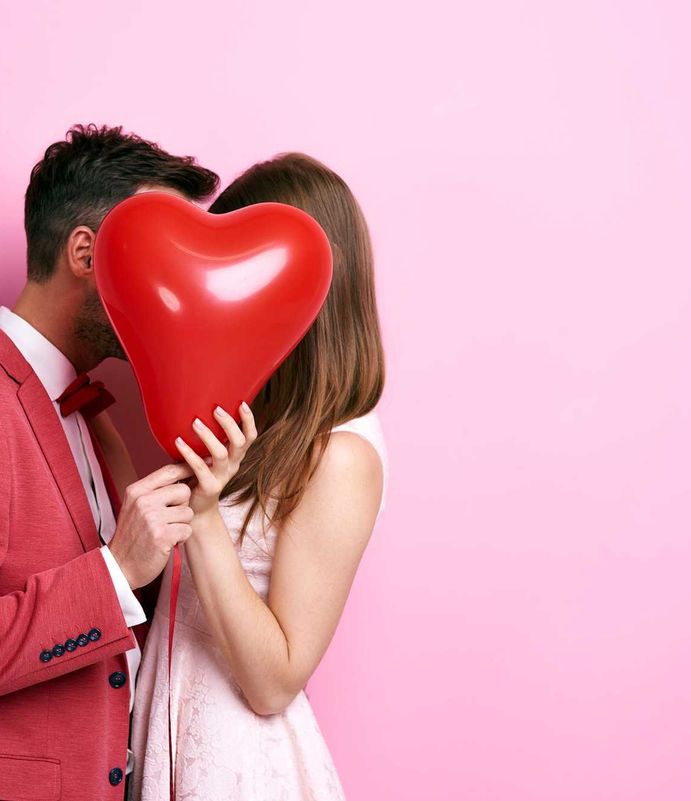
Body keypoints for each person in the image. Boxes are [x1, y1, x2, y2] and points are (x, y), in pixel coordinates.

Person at [0, 124, 219, 801]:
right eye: (161, 256)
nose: (178, 288)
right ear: (87, 253)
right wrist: (113, 571)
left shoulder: (90, 415)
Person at [129, 153, 389, 801]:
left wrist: (208, 510)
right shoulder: (253, 423)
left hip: (240, 769)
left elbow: (274, 681)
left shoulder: (343, 455)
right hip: (164, 734)